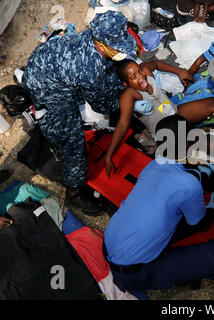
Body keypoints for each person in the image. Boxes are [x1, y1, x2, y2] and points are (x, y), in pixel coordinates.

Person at [103, 115, 214, 299]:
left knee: (173, 216)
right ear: (189, 142)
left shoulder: (151, 166)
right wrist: (211, 211)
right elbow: (198, 222)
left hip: (109, 245)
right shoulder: (188, 183)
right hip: (134, 273)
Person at [22, 11, 138, 216]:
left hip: (46, 64)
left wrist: (120, 91)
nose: (121, 49)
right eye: (116, 46)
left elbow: (107, 71)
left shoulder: (93, 39)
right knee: (71, 135)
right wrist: (124, 102)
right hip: (45, 85)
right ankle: (74, 191)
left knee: (109, 76)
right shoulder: (88, 69)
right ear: (101, 44)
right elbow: (101, 104)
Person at [106, 59, 214, 176]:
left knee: (213, 103)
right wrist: (109, 155)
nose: (141, 76)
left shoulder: (145, 71)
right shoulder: (129, 95)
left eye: (139, 70)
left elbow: (156, 64)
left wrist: (179, 71)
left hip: (176, 113)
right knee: (194, 141)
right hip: (166, 133)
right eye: (133, 76)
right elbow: (122, 124)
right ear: (125, 83)